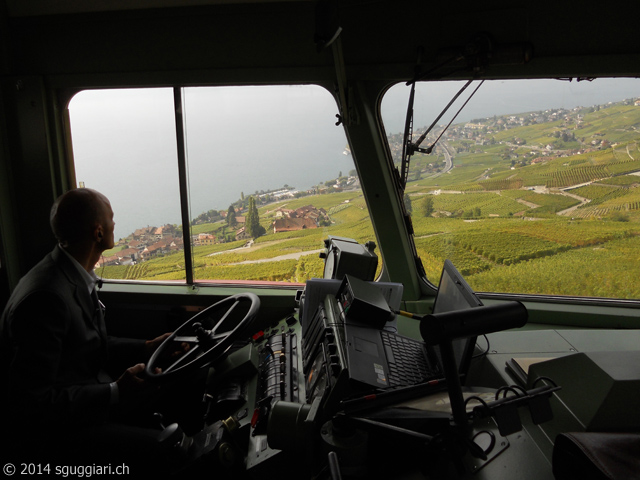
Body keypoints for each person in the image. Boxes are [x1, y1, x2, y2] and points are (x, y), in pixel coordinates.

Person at [0, 188, 185, 470]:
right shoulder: (45, 298)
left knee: (183, 384)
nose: (115, 224)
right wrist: (115, 391)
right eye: (111, 219)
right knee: (168, 452)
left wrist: (147, 347)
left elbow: (86, 344)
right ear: (98, 233)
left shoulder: (69, 274)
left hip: (90, 400)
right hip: (63, 433)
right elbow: (31, 403)